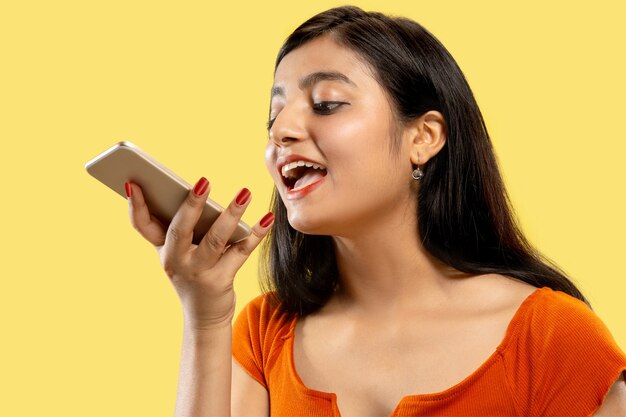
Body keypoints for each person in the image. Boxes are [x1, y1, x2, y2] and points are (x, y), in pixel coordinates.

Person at [123, 5, 626, 417]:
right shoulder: (264, 333)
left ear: (423, 137)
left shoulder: (554, 337)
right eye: (274, 117)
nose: (282, 131)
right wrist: (205, 316)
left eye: (325, 104)